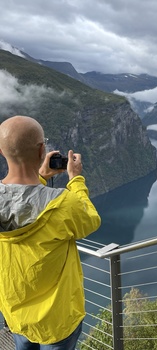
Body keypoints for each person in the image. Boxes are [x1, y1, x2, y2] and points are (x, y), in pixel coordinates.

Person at [0, 116, 101, 349]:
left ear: (2, 152)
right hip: (57, 320)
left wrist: (40, 178)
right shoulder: (63, 205)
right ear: (42, 149)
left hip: (16, 313)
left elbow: (19, 201)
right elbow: (90, 219)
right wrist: (75, 179)